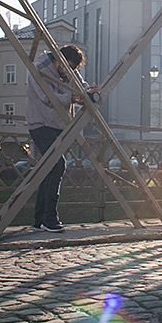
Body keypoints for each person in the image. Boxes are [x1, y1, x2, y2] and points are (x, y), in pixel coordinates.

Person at [25, 44, 98, 232]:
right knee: (57, 166)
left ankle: (39, 220)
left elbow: (80, 86)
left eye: (72, 69)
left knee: (48, 170)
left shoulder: (68, 69)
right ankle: (50, 218)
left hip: (58, 124)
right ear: (59, 59)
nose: (68, 72)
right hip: (40, 123)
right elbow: (46, 97)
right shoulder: (39, 69)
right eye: (67, 67)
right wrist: (72, 98)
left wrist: (88, 93)